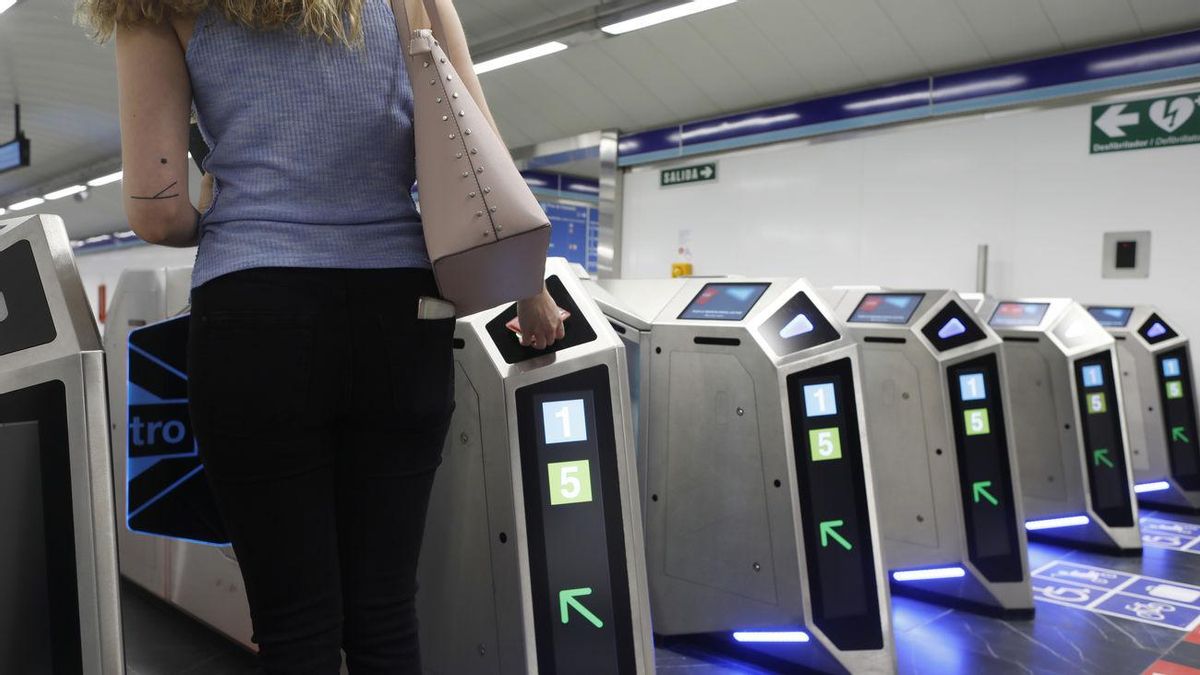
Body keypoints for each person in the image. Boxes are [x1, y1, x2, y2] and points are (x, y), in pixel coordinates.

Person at [76, 0, 565, 672]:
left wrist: (217, 212)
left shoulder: (156, 7)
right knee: (386, 611)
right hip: (402, 314)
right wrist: (529, 290)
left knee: (294, 623)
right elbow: (478, 153)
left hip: (253, 317)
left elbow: (157, 212)